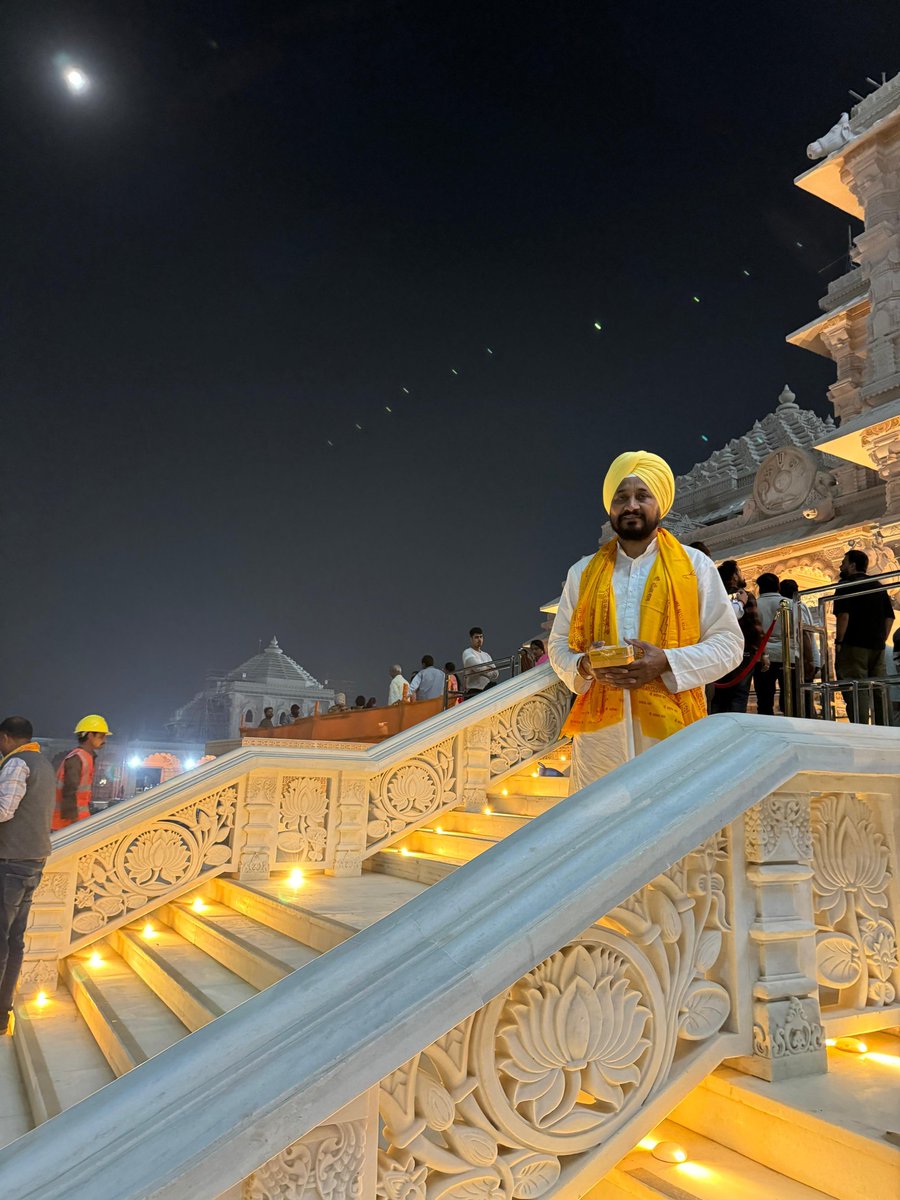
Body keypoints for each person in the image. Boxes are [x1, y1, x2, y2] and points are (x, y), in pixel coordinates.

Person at [548, 450, 742, 790]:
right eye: (621, 498)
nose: (631, 506)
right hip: (601, 740)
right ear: (610, 507)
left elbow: (729, 644)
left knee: (672, 814)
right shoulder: (582, 573)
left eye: (642, 496)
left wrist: (666, 661)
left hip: (672, 733)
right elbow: (558, 645)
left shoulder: (695, 567)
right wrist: (585, 666)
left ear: (660, 504)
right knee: (599, 816)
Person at [0, 717, 56, 1035]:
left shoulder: (16, 763)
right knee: (14, 940)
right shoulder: (43, 764)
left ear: (6, 737)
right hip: (33, 861)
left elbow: (4, 809)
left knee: (1, 940)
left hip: (11, 862)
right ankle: (2, 1011)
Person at [833, 549, 895, 725]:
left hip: (853, 644)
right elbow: (889, 617)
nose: (841, 566)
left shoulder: (845, 585)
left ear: (852, 565)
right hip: (877, 646)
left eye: (844, 563)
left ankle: (861, 728)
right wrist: (881, 639)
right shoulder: (877, 585)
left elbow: (843, 615)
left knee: (856, 687)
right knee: (879, 687)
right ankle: (886, 728)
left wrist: (839, 641)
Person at [53, 714, 111, 830]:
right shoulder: (77, 758)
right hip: (66, 824)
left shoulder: (85, 757)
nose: (104, 740)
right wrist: (75, 825)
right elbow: (69, 791)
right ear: (90, 735)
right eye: (101, 737)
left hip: (74, 822)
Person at [711, 592, 764, 714]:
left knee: (719, 697)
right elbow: (757, 632)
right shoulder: (751, 619)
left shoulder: (723, 605)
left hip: (723, 652)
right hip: (746, 654)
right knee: (739, 695)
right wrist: (763, 654)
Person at [780, 578, 819, 717]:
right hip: (807, 657)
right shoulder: (799, 605)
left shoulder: (795, 606)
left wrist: (809, 661)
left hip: (804, 658)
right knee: (800, 699)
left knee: (801, 700)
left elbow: (805, 634)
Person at [753, 573, 789, 715]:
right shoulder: (790, 603)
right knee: (791, 699)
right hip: (789, 656)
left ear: (759, 588)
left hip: (762, 657)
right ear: (778, 586)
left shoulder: (754, 605)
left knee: (764, 701)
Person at [462, 627, 500, 698]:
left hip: (487, 691)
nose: (479, 640)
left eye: (481, 637)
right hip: (474, 692)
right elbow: (478, 668)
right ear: (471, 639)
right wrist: (489, 668)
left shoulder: (487, 655)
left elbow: (496, 674)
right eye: (476, 637)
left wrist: (483, 669)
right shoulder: (468, 652)